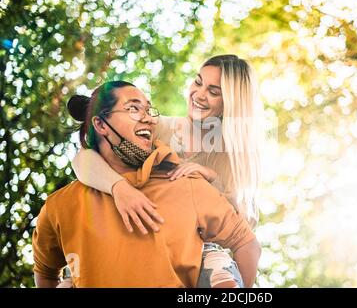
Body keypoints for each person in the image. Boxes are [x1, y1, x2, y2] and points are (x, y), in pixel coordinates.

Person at [32, 81, 261, 288]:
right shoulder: (60, 206)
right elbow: (45, 271)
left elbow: (246, 243)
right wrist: (119, 187)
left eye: (148, 109)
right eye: (133, 108)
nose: (149, 118)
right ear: (100, 125)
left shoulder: (185, 183)